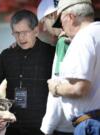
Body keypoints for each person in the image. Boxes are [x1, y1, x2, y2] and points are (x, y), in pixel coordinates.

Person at [0, 9, 55, 135]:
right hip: (14, 126)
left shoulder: (51, 54)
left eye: (25, 32)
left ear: (36, 30)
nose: (20, 37)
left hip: (44, 127)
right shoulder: (7, 55)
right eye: (16, 33)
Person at [47, 0, 100, 135]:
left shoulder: (83, 38)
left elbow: (79, 88)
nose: (62, 29)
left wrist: (56, 88)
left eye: (61, 23)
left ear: (70, 17)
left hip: (90, 124)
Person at [37, 0, 74, 135]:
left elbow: (57, 90)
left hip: (68, 126)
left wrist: (46, 128)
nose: (45, 29)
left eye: (44, 22)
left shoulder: (63, 42)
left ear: (53, 15)